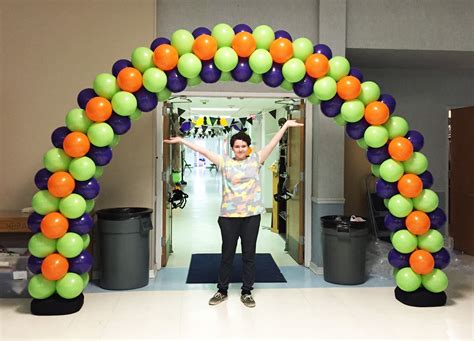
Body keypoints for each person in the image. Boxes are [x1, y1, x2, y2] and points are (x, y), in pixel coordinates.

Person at [164, 119, 303, 307]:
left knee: (249, 255)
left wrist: (285, 126)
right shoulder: (224, 162)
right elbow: (203, 151)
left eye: (243, 146)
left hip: (251, 216)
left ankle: (247, 291)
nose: (240, 149)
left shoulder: (256, 160)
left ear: (248, 148)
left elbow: (272, 144)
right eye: (237, 146)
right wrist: (182, 141)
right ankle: (222, 290)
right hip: (229, 217)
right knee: (227, 255)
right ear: (232, 148)